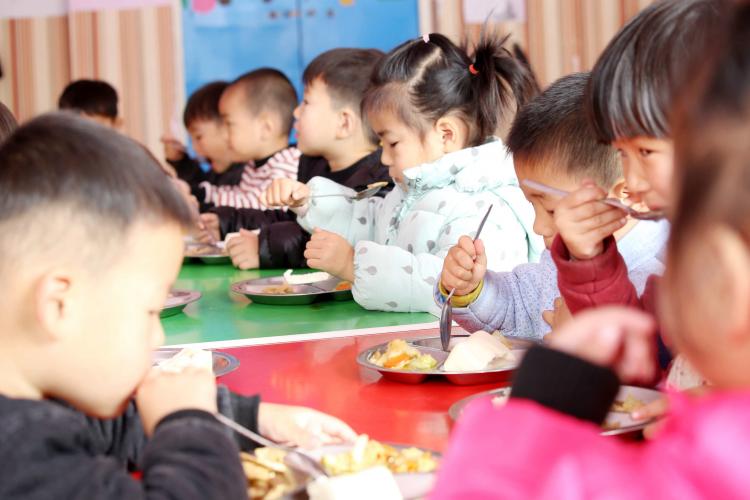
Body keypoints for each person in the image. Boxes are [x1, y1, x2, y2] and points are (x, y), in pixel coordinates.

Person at [431, 7, 750, 495]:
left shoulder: (718, 452)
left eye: (645, 152)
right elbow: (647, 367)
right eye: (621, 153)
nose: (630, 181)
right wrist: (589, 262)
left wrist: (544, 398)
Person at [0, 113, 355, 500]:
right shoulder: (19, 458)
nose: (157, 336)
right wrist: (189, 422)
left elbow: (106, 426)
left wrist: (254, 419)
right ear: (58, 305)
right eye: (150, 312)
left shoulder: (29, 407)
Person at [265, 33, 542, 315]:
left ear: (445, 134)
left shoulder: (485, 206)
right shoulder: (414, 188)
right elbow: (374, 221)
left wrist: (352, 265)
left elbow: (446, 286)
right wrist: (311, 201)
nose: (384, 157)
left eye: (393, 143)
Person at [436, 73, 668, 339]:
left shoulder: (665, 276)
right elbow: (518, 306)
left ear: (625, 192)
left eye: (551, 210)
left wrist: (579, 346)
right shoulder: (562, 259)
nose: (537, 227)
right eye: (531, 204)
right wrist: (471, 289)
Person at [202, 48, 389, 270]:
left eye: (306, 102)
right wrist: (227, 221)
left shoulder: (380, 178)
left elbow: (333, 237)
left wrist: (263, 247)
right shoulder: (313, 163)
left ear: (344, 123)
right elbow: (288, 219)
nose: (296, 113)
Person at [197, 68, 301, 209]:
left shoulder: (287, 165)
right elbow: (240, 194)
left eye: (229, 124)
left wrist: (204, 199)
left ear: (266, 128)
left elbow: (257, 205)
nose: (224, 135)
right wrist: (203, 192)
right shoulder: (253, 164)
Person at [161, 81, 245, 211]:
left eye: (198, 137)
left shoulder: (248, 175)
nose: (195, 148)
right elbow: (201, 188)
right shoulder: (216, 173)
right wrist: (180, 162)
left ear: (227, 126)